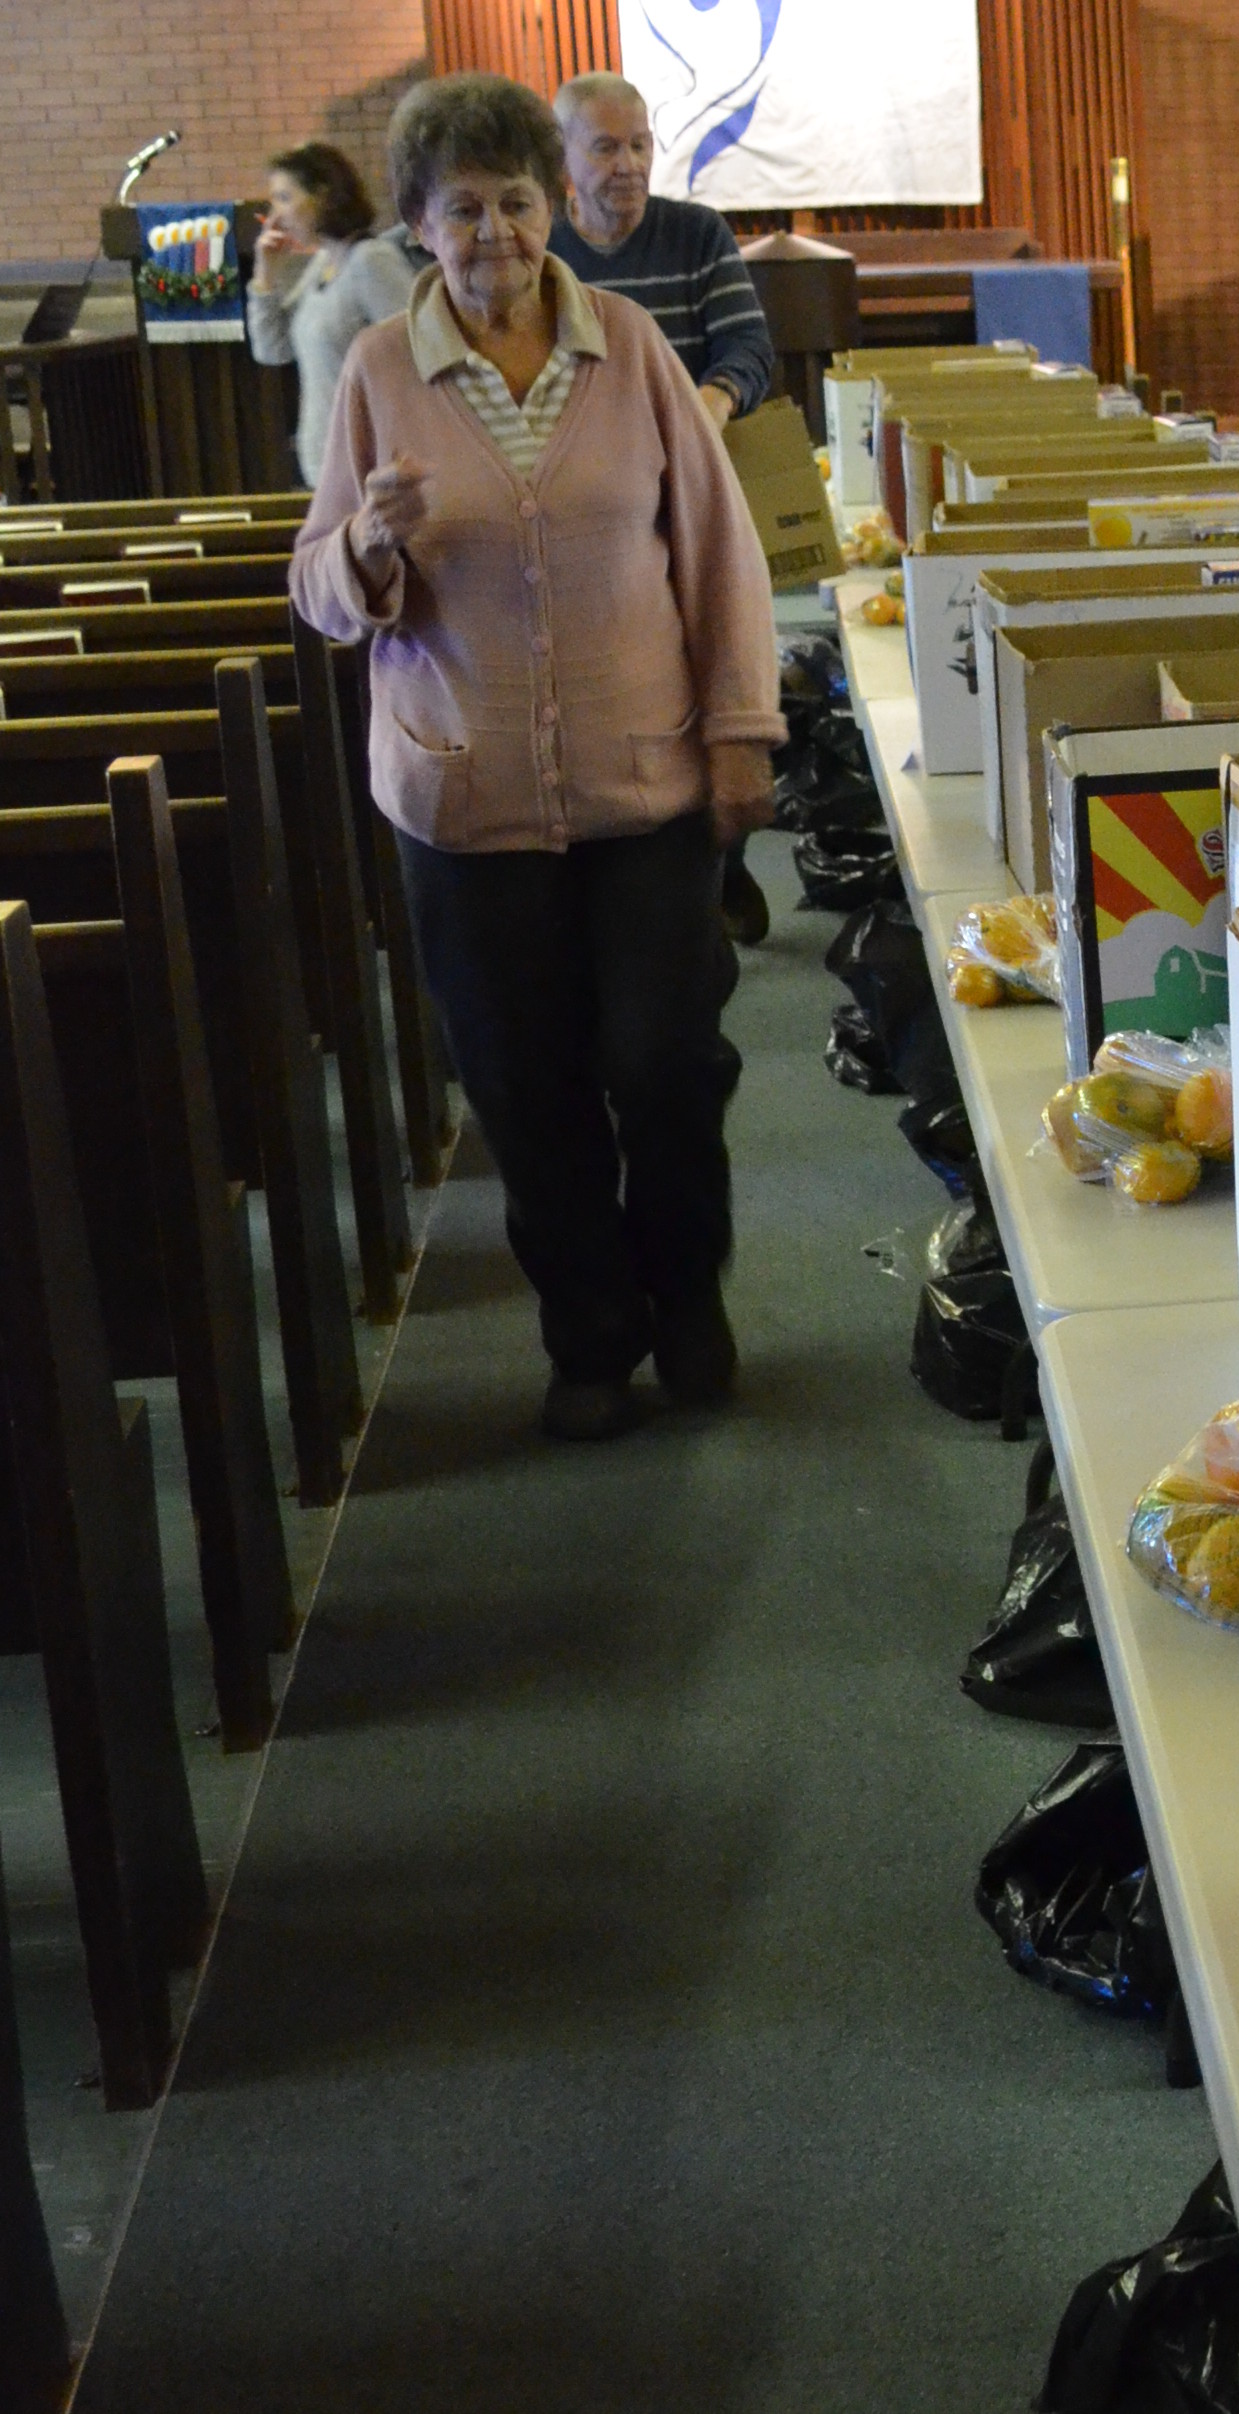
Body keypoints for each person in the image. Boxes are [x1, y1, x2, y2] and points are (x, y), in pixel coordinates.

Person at [291, 73, 782, 1444]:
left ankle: (686, 1292)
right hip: (463, 792)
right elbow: (317, 592)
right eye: (464, 208)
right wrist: (367, 546)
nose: (496, 230)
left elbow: (721, 553)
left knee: (667, 1060)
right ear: (417, 227)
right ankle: (590, 1335)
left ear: (552, 208)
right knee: (526, 1081)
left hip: (645, 782)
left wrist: (741, 731)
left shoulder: (629, 349)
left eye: (517, 200)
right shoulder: (384, 372)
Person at [547, 73, 784, 948]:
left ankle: (725, 854)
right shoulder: (548, 255)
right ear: (563, 161)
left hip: (693, 504)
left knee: (719, 677)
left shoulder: (693, 234)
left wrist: (706, 409)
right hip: (598, 517)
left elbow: (749, 348)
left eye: (640, 144)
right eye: (606, 147)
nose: (629, 164)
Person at [245, 142, 417, 484]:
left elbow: (417, 354)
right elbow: (272, 350)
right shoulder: (323, 263)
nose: (276, 218)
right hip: (324, 463)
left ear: (322, 196)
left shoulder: (371, 261)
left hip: (371, 463)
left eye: (284, 198)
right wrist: (265, 276)